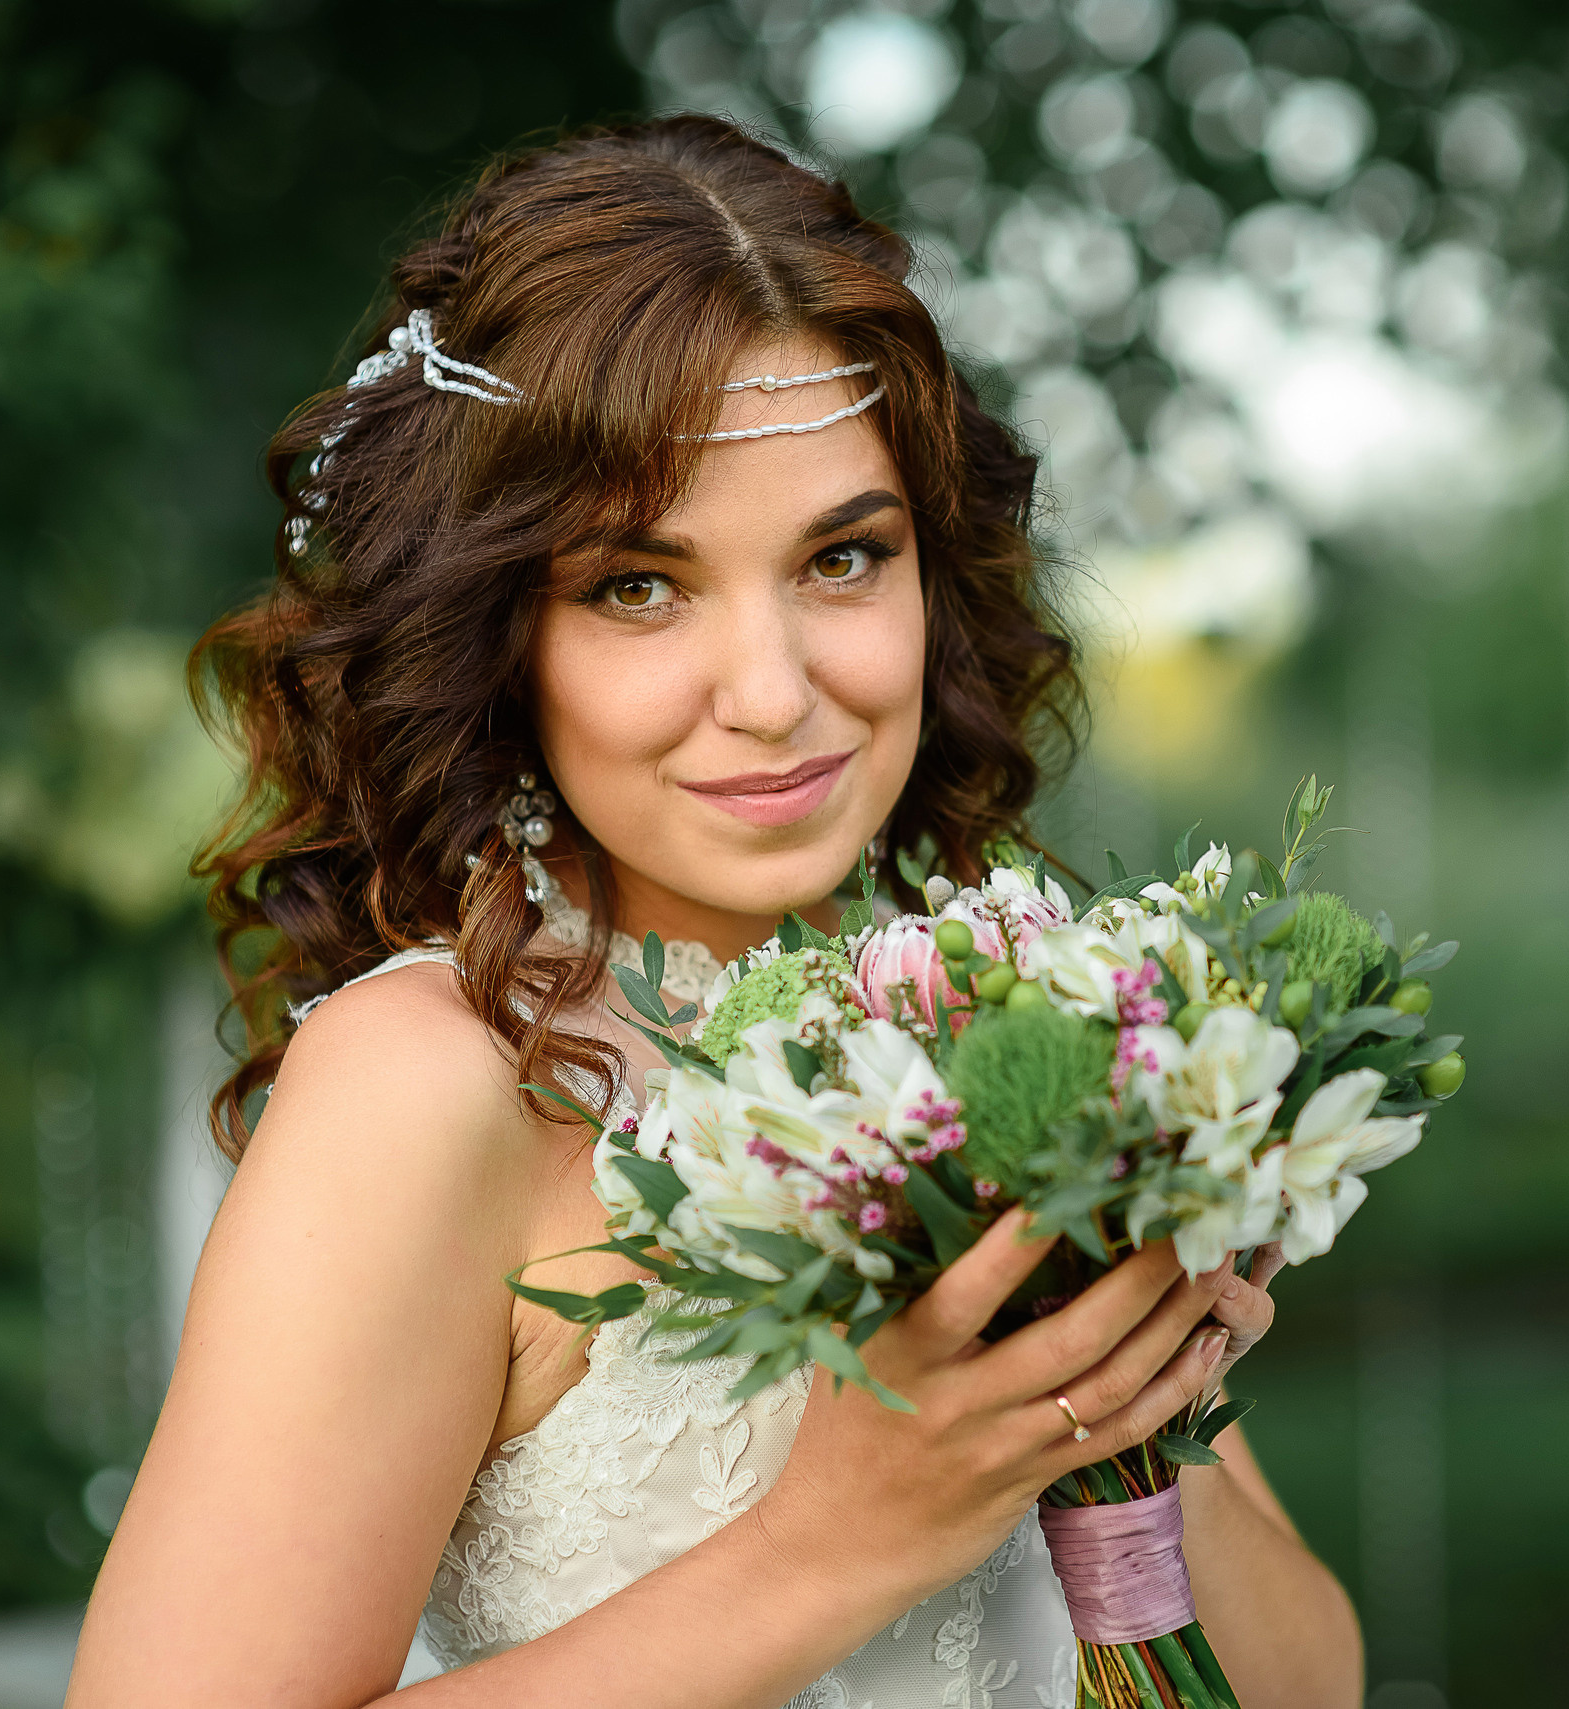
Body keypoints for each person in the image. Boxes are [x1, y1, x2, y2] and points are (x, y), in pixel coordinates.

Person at [68, 117, 1363, 1708]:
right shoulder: (437, 1085)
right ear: (498, 633)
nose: (773, 695)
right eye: (638, 583)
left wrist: (1136, 1406)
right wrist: (840, 1539)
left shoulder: (1009, 1014)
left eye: (842, 557)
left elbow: (1311, 1684)